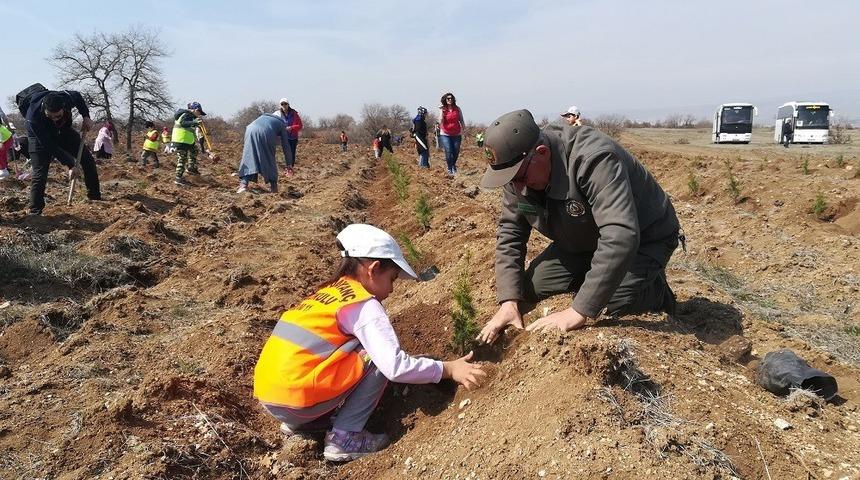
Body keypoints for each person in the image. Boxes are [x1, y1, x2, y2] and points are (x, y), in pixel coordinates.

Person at [253, 223, 486, 462]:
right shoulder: (364, 305)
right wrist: (448, 369)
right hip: (299, 402)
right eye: (392, 279)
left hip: (275, 402)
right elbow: (395, 367)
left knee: (352, 349)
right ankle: (345, 437)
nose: (392, 289)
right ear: (374, 269)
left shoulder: (329, 294)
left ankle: (307, 423)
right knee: (374, 356)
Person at [475, 109, 680, 345]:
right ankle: (599, 274)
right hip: (581, 237)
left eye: (518, 178)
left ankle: (655, 290)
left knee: (614, 304)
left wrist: (578, 311)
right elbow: (511, 232)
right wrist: (508, 301)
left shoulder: (594, 158)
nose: (516, 187)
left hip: (644, 238)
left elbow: (620, 234)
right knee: (530, 288)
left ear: (541, 153)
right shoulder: (517, 173)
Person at [22, 89, 101, 215]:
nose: (54, 119)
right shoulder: (33, 117)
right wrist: (71, 164)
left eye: (58, 116)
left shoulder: (67, 98)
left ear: (64, 107)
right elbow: (49, 145)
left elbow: (78, 96)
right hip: (39, 139)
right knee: (40, 172)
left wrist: (86, 116)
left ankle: (95, 198)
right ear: (44, 109)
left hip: (63, 131)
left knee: (87, 159)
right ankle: (35, 211)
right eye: (50, 116)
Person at [236, 113, 292, 194]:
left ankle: (243, 185)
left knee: (249, 157)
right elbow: (286, 145)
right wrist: (289, 164)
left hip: (249, 130)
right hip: (266, 132)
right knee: (269, 159)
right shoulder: (282, 123)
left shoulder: (263, 117)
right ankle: (274, 188)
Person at [172, 101, 206, 185]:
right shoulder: (186, 114)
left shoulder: (190, 116)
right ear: (195, 110)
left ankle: (191, 168)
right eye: (199, 112)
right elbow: (183, 123)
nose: (199, 114)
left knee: (194, 150)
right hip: (181, 140)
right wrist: (194, 122)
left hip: (186, 141)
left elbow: (188, 125)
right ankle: (178, 178)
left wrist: (195, 124)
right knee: (182, 159)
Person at [273, 98, 303, 176]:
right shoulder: (278, 114)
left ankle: (290, 169)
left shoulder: (294, 114)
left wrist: (291, 128)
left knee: (292, 153)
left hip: (293, 137)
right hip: (284, 137)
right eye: (282, 104)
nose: (284, 106)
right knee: (286, 153)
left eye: (285, 104)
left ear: (288, 104)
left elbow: (300, 125)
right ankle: (287, 168)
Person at [438, 92, 465, 176]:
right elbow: (440, 121)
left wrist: (464, 129)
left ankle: (453, 165)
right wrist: (441, 111)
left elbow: (461, 119)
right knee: (449, 151)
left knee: (456, 151)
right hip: (445, 133)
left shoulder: (457, 108)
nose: (450, 100)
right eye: (448, 99)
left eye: (451, 98)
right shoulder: (443, 109)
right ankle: (450, 168)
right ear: (445, 100)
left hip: (456, 133)